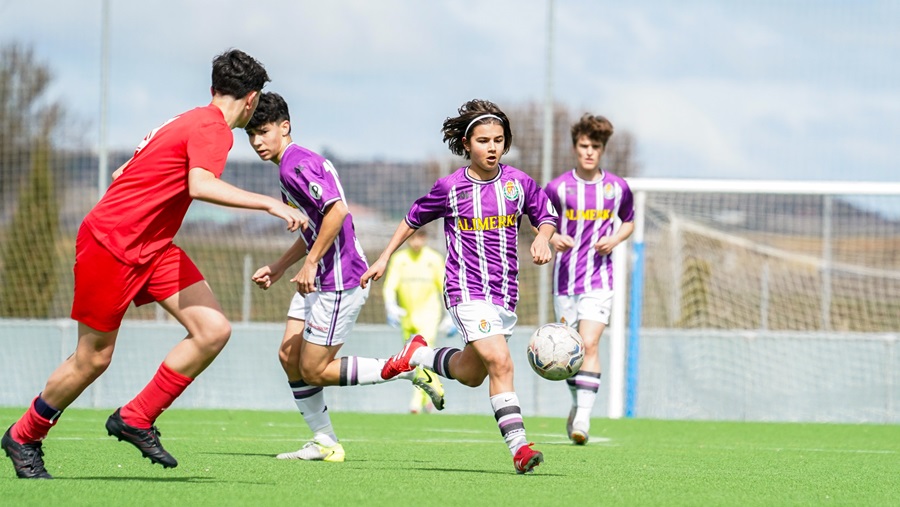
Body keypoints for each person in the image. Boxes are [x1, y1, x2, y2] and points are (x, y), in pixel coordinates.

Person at [1, 49, 307, 480]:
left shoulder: (184, 121)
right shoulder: (214, 130)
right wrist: (268, 206)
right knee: (92, 360)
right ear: (252, 99)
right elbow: (200, 186)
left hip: (153, 246)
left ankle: (136, 417)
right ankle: (24, 435)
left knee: (213, 330)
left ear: (213, 89)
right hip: (112, 245)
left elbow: (122, 172)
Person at [244, 92, 445, 463]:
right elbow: (313, 229)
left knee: (314, 369)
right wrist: (280, 265)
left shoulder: (296, 165)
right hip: (318, 276)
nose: (256, 141)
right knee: (289, 356)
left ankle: (403, 363)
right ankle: (325, 442)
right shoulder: (290, 167)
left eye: (263, 131)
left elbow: (336, 212)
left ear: (284, 127)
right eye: (251, 134)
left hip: (338, 280)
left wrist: (310, 264)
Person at [360, 99, 557, 475]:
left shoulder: (519, 184)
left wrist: (543, 237)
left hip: (504, 295)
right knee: (501, 361)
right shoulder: (450, 187)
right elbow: (411, 219)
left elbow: (545, 215)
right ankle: (520, 448)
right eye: (484, 140)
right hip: (465, 289)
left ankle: (417, 355)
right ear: (467, 144)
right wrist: (384, 256)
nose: (492, 147)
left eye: (499, 140)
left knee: (471, 373)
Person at [544, 114, 634, 445]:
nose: (589, 152)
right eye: (584, 146)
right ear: (574, 148)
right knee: (572, 349)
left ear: (602, 149)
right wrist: (553, 239)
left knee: (591, 342)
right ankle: (576, 403)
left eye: (595, 147)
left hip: (600, 278)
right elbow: (543, 223)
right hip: (566, 280)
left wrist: (615, 239)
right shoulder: (557, 188)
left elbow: (628, 221)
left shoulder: (616, 187)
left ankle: (583, 416)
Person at [381, 227, 447, 414]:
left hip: (429, 314)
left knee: (422, 353)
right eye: (412, 238)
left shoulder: (433, 259)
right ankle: (430, 396)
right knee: (410, 359)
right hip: (407, 316)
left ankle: (416, 402)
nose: (416, 242)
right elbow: (389, 286)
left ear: (425, 238)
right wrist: (390, 306)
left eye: (420, 238)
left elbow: (444, 287)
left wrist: (449, 315)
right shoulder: (399, 259)